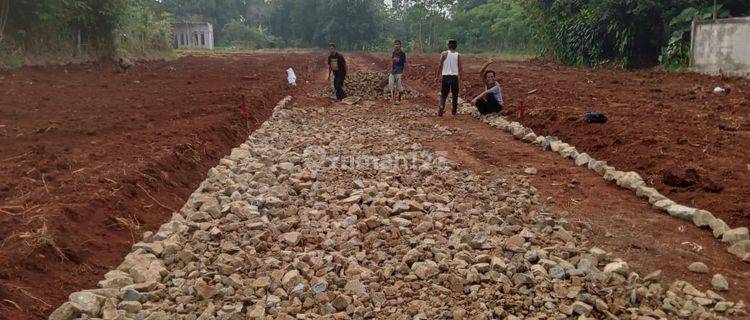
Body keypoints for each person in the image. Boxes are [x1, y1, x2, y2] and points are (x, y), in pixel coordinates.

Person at [436, 39, 462, 116]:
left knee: (443, 94)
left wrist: (437, 76)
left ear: (448, 46)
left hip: (445, 77)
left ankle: (441, 106)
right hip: (454, 77)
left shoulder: (444, 54)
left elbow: (440, 65)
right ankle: (454, 110)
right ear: (456, 46)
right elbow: (460, 67)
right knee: (455, 95)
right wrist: (461, 77)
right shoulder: (458, 55)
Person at [388, 40, 406, 104]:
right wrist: (391, 68)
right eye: (395, 44)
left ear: (400, 45)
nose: (396, 45)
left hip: (399, 71)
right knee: (391, 83)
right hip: (393, 70)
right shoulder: (394, 53)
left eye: (397, 44)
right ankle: (393, 99)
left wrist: (403, 72)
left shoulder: (402, 54)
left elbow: (404, 63)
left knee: (399, 85)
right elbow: (393, 62)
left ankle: (399, 98)